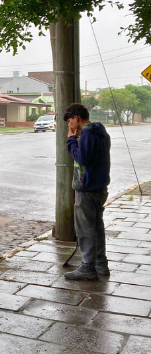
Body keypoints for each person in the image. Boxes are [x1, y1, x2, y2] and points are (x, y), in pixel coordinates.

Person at [63, 103, 111, 281]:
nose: (69, 126)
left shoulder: (88, 134)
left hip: (87, 187)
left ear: (77, 118)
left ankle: (88, 267)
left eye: (69, 122)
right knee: (97, 226)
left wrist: (71, 141)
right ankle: (100, 263)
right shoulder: (100, 132)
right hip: (98, 186)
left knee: (85, 229)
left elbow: (82, 158)